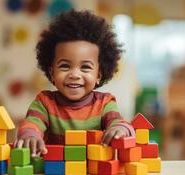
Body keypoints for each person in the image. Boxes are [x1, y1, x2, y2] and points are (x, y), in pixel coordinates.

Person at [14, 10, 135, 157]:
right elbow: (32, 123)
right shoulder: (44, 102)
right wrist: (30, 135)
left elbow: (118, 122)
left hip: (92, 174)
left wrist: (120, 129)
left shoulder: (105, 103)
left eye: (85, 67)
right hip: (53, 173)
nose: (74, 75)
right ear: (52, 73)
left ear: (98, 75)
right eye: (65, 66)